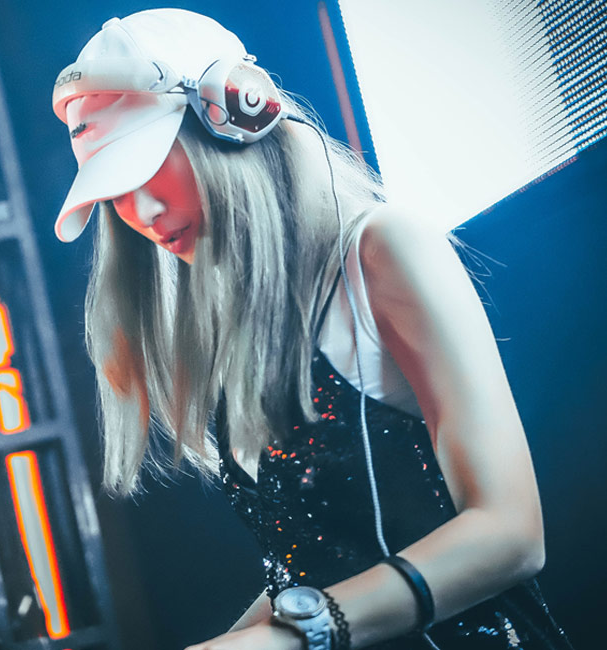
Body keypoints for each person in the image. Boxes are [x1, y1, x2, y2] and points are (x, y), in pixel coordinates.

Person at [51, 9, 572, 650]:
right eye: (116, 193)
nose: (143, 213)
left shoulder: (385, 250)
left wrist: (289, 637)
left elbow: (511, 534)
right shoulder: (236, 326)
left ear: (237, 111)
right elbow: (319, 563)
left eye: (149, 166)